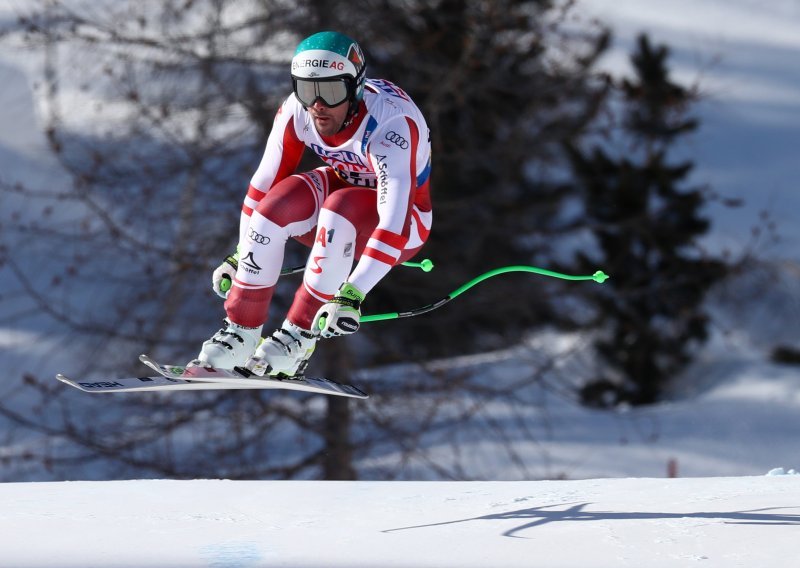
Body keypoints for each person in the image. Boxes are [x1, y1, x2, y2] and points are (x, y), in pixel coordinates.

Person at [193, 31, 432, 378]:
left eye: (331, 91)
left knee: (341, 205)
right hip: (340, 205)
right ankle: (241, 332)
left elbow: (393, 220)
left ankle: (298, 337)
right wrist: (241, 254)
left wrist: (352, 295)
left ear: (356, 88)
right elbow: (263, 184)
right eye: (307, 90)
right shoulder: (297, 111)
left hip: (402, 227)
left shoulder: (392, 125)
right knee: (276, 205)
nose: (318, 104)